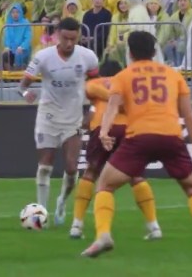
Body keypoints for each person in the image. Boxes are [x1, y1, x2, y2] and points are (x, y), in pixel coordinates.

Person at [81, 31, 192, 258]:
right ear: (154, 51)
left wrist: (104, 131)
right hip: (171, 137)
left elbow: (112, 106)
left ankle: (103, 235)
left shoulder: (124, 75)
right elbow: (189, 117)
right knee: (191, 188)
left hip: (139, 137)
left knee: (105, 185)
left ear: (129, 53)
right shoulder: (173, 75)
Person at [18, 18, 100, 226]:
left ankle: (62, 202)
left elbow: (96, 87)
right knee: (45, 164)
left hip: (73, 117)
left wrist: (92, 110)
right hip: (48, 114)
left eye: (73, 39)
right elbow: (23, 84)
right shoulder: (43, 57)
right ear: (57, 35)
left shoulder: (88, 57)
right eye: (65, 38)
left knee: (72, 167)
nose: (69, 43)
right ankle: (41, 214)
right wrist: (26, 93)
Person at [70, 63, 163, 240]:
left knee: (91, 171)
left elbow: (86, 90)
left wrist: (109, 97)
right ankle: (154, 227)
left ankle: (77, 225)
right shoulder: (128, 83)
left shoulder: (94, 84)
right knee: (135, 175)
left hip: (102, 126)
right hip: (128, 128)